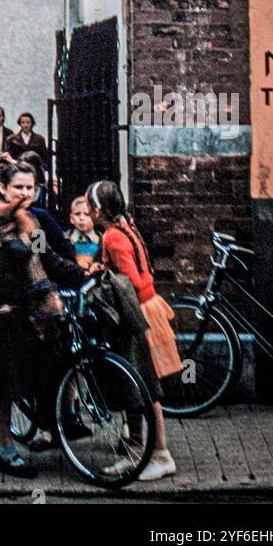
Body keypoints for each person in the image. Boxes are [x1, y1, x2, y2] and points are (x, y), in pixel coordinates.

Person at [0, 160, 86, 476]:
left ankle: (52, 424)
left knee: (44, 371)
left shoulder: (35, 221)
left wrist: (82, 275)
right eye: (19, 187)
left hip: (34, 314)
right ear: (2, 188)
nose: (25, 193)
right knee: (0, 387)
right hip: (1, 313)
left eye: (30, 187)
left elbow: (48, 258)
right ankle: (6, 451)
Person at [86, 180, 180, 482]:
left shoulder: (113, 237)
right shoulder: (126, 226)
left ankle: (161, 455)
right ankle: (136, 450)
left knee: (147, 388)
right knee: (136, 387)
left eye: (89, 206)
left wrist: (104, 277)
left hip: (135, 315)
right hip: (147, 309)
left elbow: (132, 283)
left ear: (97, 210)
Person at [67, 196, 101, 269]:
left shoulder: (102, 240)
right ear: (71, 218)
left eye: (87, 214)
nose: (81, 218)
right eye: (77, 214)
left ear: (95, 217)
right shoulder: (64, 239)